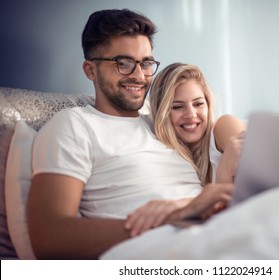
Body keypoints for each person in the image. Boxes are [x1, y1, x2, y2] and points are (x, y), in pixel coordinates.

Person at [28, 8, 230, 260]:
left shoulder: (163, 124)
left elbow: (222, 132)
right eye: (123, 63)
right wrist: (175, 218)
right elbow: (49, 238)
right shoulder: (74, 125)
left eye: (146, 63)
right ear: (91, 70)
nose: (139, 76)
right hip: (171, 249)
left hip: (220, 232)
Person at [149, 63, 246, 185]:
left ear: (208, 104)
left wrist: (224, 174)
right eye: (177, 107)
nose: (191, 114)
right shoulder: (176, 165)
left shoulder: (224, 127)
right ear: (161, 113)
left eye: (198, 104)